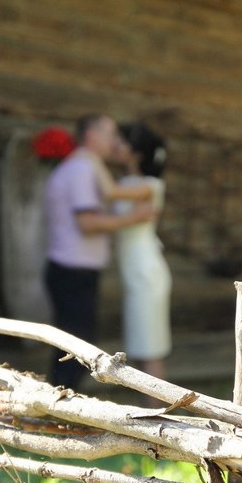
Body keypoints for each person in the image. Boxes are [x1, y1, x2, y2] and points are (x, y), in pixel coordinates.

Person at [44, 113, 156, 389]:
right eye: (111, 134)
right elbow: (88, 223)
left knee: (72, 346)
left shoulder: (84, 166)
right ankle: (58, 404)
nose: (115, 141)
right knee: (75, 349)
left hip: (74, 270)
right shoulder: (82, 169)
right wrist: (135, 218)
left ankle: (57, 403)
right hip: (73, 271)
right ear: (92, 136)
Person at [112, 123, 172, 386]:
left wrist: (89, 161)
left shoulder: (151, 185)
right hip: (134, 272)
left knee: (150, 348)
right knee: (139, 347)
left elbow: (108, 192)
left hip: (146, 273)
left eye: (122, 142)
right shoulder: (126, 182)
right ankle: (153, 405)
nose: (116, 145)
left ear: (136, 154)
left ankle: (161, 406)